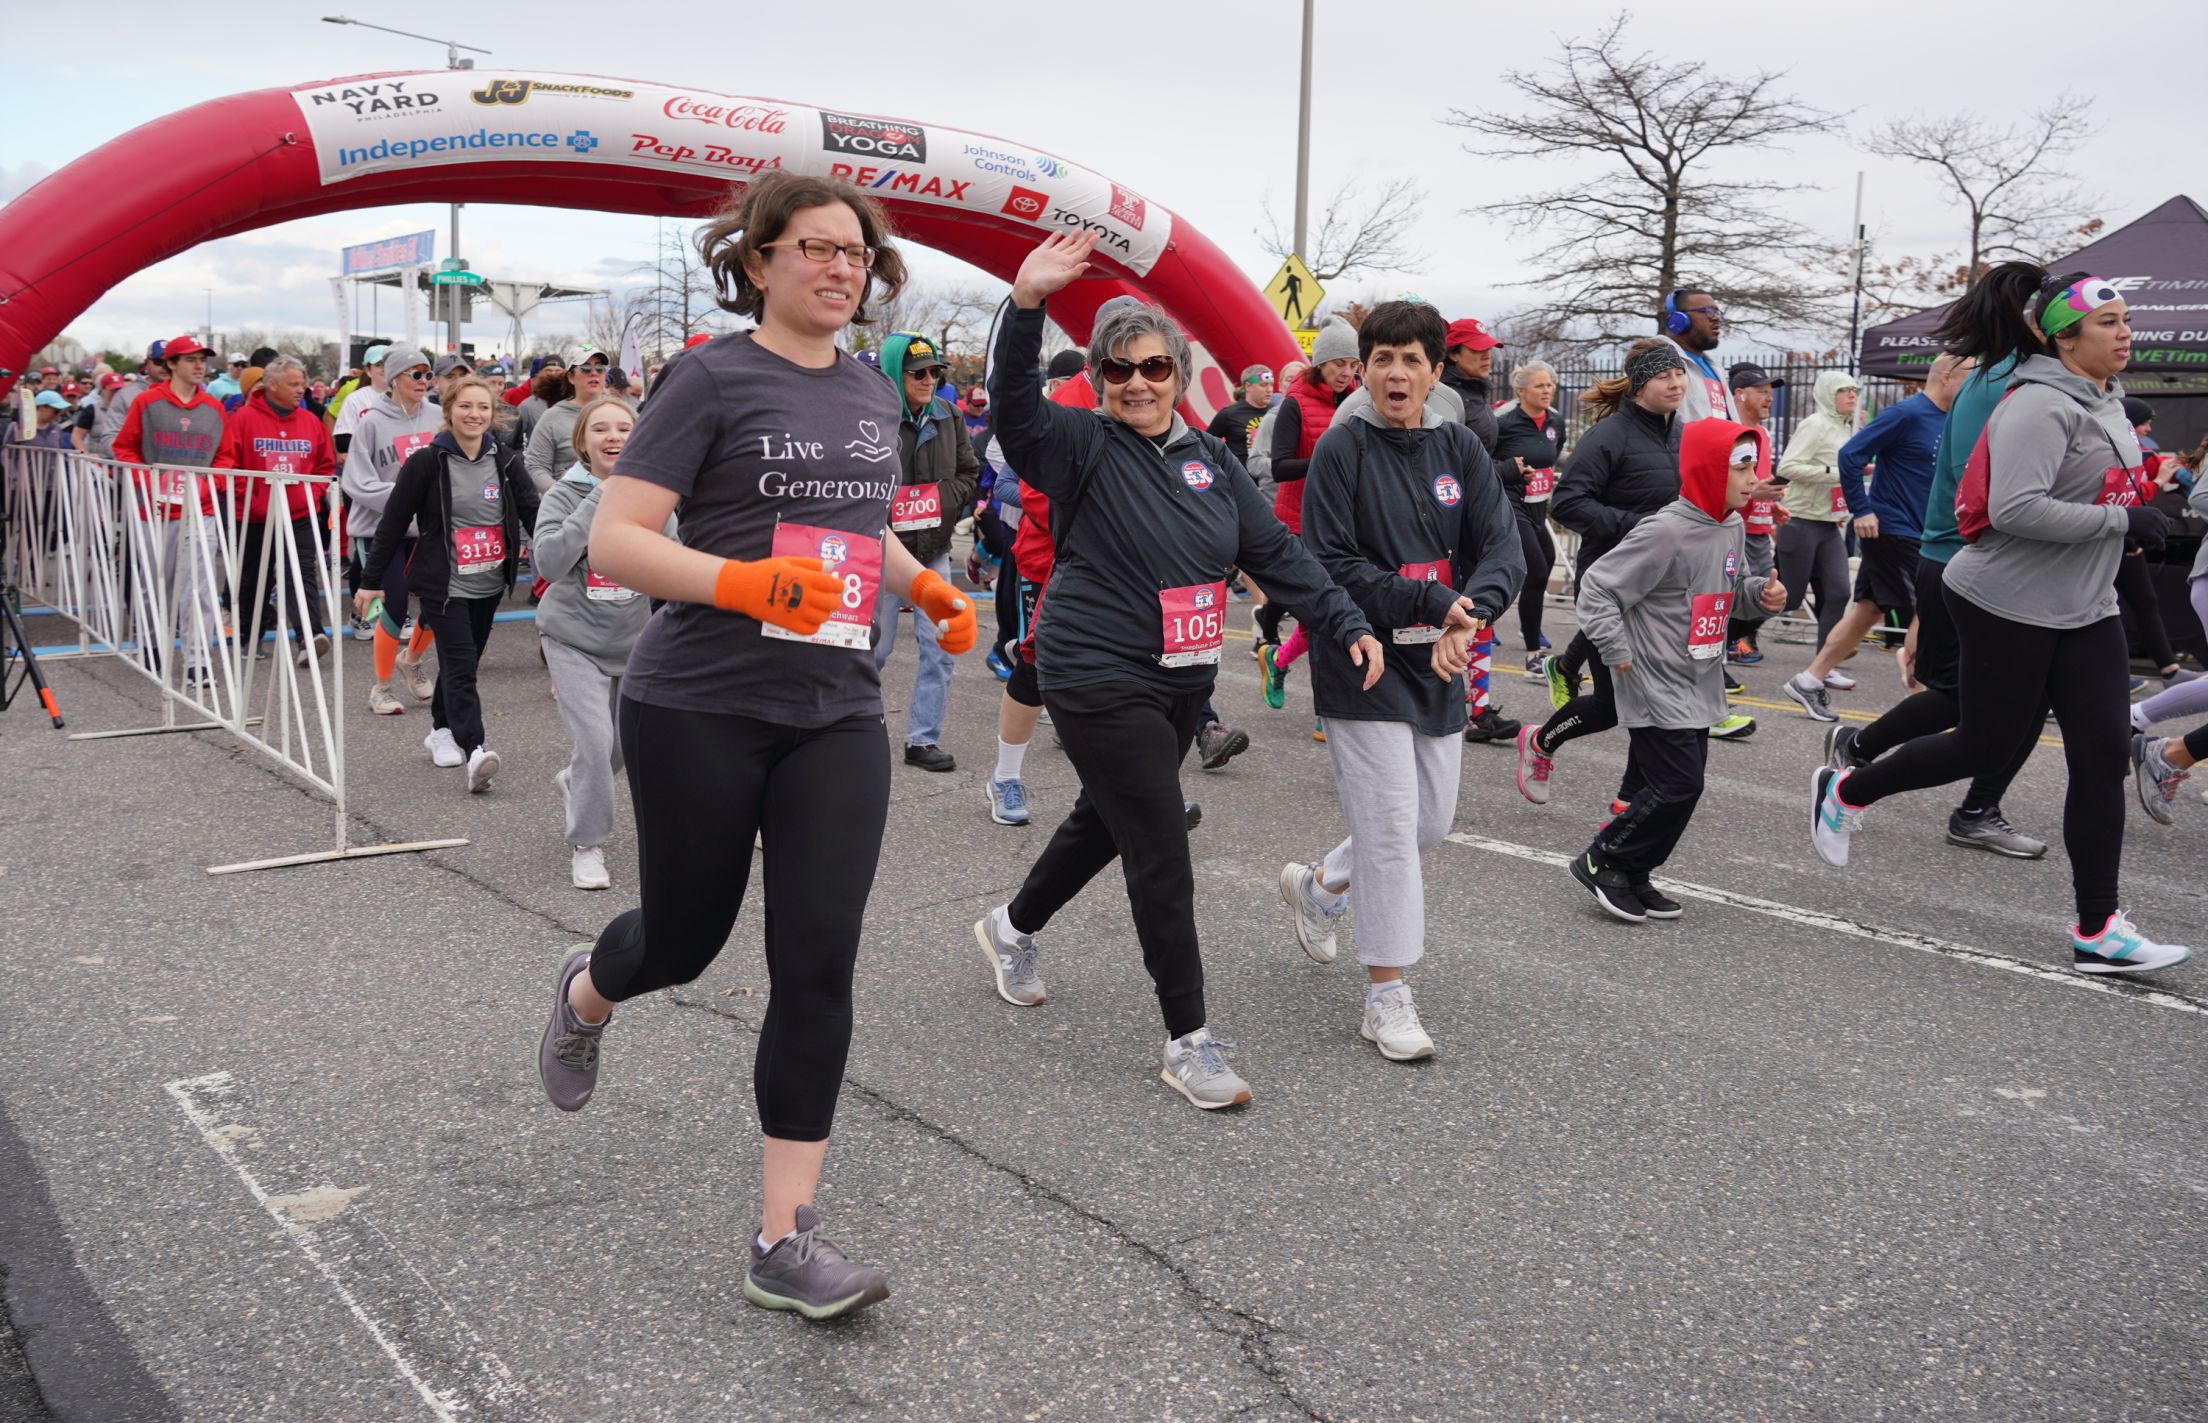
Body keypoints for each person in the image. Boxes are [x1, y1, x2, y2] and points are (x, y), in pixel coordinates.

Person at [534, 172, 976, 1321]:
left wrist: (924, 583)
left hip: (834, 710)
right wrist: (742, 583)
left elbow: (859, 526)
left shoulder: (871, 389)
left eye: (855, 253)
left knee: (818, 961)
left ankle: (784, 1237)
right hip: (701, 704)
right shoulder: (710, 377)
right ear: (760, 260)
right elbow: (619, 541)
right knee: (683, 941)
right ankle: (589, 989)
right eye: (815, 248)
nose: (839, 268)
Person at [976, 230, 1379, 1110]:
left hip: (1182, 676)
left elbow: (1276, 552)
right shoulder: (1080, 442)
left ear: (1177, 372)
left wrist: (1343, 618)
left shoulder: (1210, 460)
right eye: (1119, 369)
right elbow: (1014, 414)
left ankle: (1010, 926)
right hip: (1092, 668)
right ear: (1099, 376)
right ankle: (1188, 1040)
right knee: (1160, 845)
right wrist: (1028, 303)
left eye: (1154, 367)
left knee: (1105, 819)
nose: (1138, 383)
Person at [1809, 271, 2190, 975]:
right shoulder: (2037, 404)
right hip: (2006, 600)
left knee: (2102, 758)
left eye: (2127, 319)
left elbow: (2099, 489)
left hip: (2087, 607)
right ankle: (1846, 789)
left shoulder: (2106, 398)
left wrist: (2139, 506)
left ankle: (2098, 929)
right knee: (1984, 746)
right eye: (2107, 322)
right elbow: (2016, 508)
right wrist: (2121, 521)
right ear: (2064, 338)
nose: (2124, 332)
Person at [1279, 300, 1522, 1060]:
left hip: (1437, 657)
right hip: (1362, 658)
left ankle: (1322, 885)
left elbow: (1503, 547)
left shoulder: (1460, 447)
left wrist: (1470, 615)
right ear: (1362, 370)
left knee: (1428, 825)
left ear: (1434, 371)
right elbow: (1330, 562)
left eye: (1411, 359)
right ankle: (1387, 994)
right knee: (1388, 828)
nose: (1395, 373)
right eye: (1381, 358)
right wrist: (1431, 602)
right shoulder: (1342, 448)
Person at [1825, 275, 2054, 859]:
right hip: (1965, 560)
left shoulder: (2011, 377)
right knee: (1995, 706)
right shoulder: (1998, 383)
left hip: (1958, 558)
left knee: (1970, 696)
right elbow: (1993, 492)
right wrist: (1863, 509)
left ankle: (1859, 748)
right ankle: (1884, 786)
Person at [1568, 421, 1786, 920]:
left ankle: (1634, 871)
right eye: (1742, 467)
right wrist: (1615, 649)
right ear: (1709, 469)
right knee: (1678, 783)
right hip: (1652, 675)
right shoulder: (1664, 530)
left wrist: (1761, 596)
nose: (1753, 478)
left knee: (1679, 786)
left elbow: (1731, 590)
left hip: (1698, 676)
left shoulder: (1730, 525)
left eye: (1754, 465)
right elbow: (1598, 587)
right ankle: (1603, 859)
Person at [1516, 339, 1686, 807]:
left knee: (1655, 701)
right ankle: (1540, 743)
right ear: (1639, 384)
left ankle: (1628, 805)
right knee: (1614, 706)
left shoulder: (1683, 434)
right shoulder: (1608, 437)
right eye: (1663, 375)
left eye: (1679, 374)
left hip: (1663, 588)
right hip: (1610, 587)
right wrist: (1641, 527)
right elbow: (1568, 503)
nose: (1675, 383)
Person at [356, 376, 535, 792]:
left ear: (493, 414)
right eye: (465, 406)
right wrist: (369, 581)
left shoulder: (506, 461)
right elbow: (393, 522)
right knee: (460, 664)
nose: (475, 415)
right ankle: (475, 749)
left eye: (483, 407)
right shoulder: (426, 462)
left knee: (464, 664)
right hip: (444, 583)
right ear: (449, 411)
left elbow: (533, 512)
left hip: (489, 581)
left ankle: (440, 730)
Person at [1784, 356, 1973, 718]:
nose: (1975, 387)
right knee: (1929, 608)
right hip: (1891, 528)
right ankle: (1921, 698)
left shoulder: (1951, 418)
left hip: (1921, 530)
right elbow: (1850, 455)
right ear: (1947, 377)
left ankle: (1808, 680)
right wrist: (1862, 509)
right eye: (1970, 377)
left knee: (1869, 610)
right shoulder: (1906, 413)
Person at [533, 396, 669, 888]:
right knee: (594, 741)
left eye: (624, 428)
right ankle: (587, 845)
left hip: (632, 641)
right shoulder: (564, 495)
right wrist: (599, 500)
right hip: (572, 638)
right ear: (582, 442)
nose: (614, 437)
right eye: (601, 429)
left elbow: (673, 557)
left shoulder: (653, 494)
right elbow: (548, 563)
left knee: (621, 745)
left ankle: (577, 784)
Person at [872, 331, 980, 772]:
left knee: (939, 648)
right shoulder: (873, 415)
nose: (928, 380)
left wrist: (942, 502)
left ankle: (922, 739)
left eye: (935, 372)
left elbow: (969, 472)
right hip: (883, 550)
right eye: (918, 373)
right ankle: (854, 727)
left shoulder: (949, 415)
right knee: (873, 649)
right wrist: (890, 508)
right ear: (895, 373)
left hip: (933, 548)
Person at [112, 332, 233, 690]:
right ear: (171, 364)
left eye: (203, 360)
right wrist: (150, 482)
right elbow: (125, 448)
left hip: (200, 510)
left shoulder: (213, 408)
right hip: (155, 511)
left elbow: (225, 457)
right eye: (191, 359)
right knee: (155, 584)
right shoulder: (147, 402)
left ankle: (198, 661)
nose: (199, 366)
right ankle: (152, 647)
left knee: (200, 587)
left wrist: (208, 486)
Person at [1256, 320, 1359, 722]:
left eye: (1353, 364)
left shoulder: (1358, 401)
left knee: (1335, 610)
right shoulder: (1295, 404)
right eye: (1338, 364)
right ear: (1320, 363)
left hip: (1344, 521)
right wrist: (1327, 460)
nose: (1347, 372)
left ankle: (1278, 661)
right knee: (1322, 613)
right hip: (1300, 521)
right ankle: (1325, 710)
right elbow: (1279, 467)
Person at [343, 346, 444, 715]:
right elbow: (357, 482)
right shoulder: (371, 422)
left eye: (427, 374)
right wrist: (406, 497)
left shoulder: (438, 416)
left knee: (439, 601)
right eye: (415, 374)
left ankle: (411, 660)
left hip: (426, 528)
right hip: (379, 528)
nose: (423, 381)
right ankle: (381, 688)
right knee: (393, 605)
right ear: (394, 378)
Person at [225, 356, 336, 664]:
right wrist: (250, 499)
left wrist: (311, 494)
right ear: (272, 385)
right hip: (255, 516)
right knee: (253, 578)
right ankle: (250, 637)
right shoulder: (244, 419)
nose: (302, 390)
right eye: (294, 384)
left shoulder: (310, 421)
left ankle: (308, 638)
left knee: (301, 574)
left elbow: (324, 465)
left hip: (298, 515)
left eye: (303, 384)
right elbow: (230, 465)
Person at [1773, 371, 1861, 650]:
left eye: (1855, 390)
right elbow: (1787, 467)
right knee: (1790, 598)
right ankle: (1732, 631)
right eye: (1843, 390)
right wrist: (1835, 473)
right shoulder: (1815, 424)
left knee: (1839, 592)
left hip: (1829, 523)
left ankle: (1824, 663)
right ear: (1827, 394)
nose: (1852, 395)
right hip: (1800, 520)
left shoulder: (1845, 428)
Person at [1491, 359, 1566, 677]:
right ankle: (1533, 655)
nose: (1547, 390)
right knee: (1536, 570)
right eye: (1540, 385)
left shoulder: (1555, 421)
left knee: (1546, 560)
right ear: (1521, 391)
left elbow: (1554, 452)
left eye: (1550, 384)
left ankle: (1520, 624)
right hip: (1510, 503)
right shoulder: (1504, 422)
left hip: (1538, 505)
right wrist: (1511, 471)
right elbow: (1481, 459)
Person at [1723, 362, 1788, 665]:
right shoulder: (1728, 432)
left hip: (1760, 531)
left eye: (1770, 392)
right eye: (1761, 391)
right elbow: (1720, 488)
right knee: (1733, 598)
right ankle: (1721, 654)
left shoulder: (1762, 433)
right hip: (1735, 529)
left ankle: (1730, 645)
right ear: (1740, 394)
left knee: (1768, 598)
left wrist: (1771, 505)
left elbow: (1756, 482)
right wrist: (1753, 494)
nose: (1769, 398)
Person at [525, 346, 610, 492]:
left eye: (600, 368)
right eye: (585, 368)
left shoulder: (621, 412)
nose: (594, 373)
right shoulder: (553, 417)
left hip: (615, 500)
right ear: (570, 377)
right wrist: (559, 493)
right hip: (570, 503)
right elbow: (535, 466)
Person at [1437, 315, 1503, 454]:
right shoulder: (1445, 396)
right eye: (1477, 349)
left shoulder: (1476, 389)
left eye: (1488, 349)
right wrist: (1505, 466)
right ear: (1454, 355)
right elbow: (1446, 456)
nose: (1487, 356)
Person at [95, 341, 166, 459]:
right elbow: (110, 438)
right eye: (158, 362)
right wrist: (136, 461)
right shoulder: (125, 395)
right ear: (147, 363)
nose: (164, 367)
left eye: (170, 362)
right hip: (137, 467)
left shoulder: (186, 394)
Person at [1205, 365, 1274, 466]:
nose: (1269, 389)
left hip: (1271, 473)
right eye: (1263, 385)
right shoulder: (1229, 414)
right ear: (1248, 386)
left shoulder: (1277, 411)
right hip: (1240, 473)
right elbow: (1205, 444)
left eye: (1271, 385)